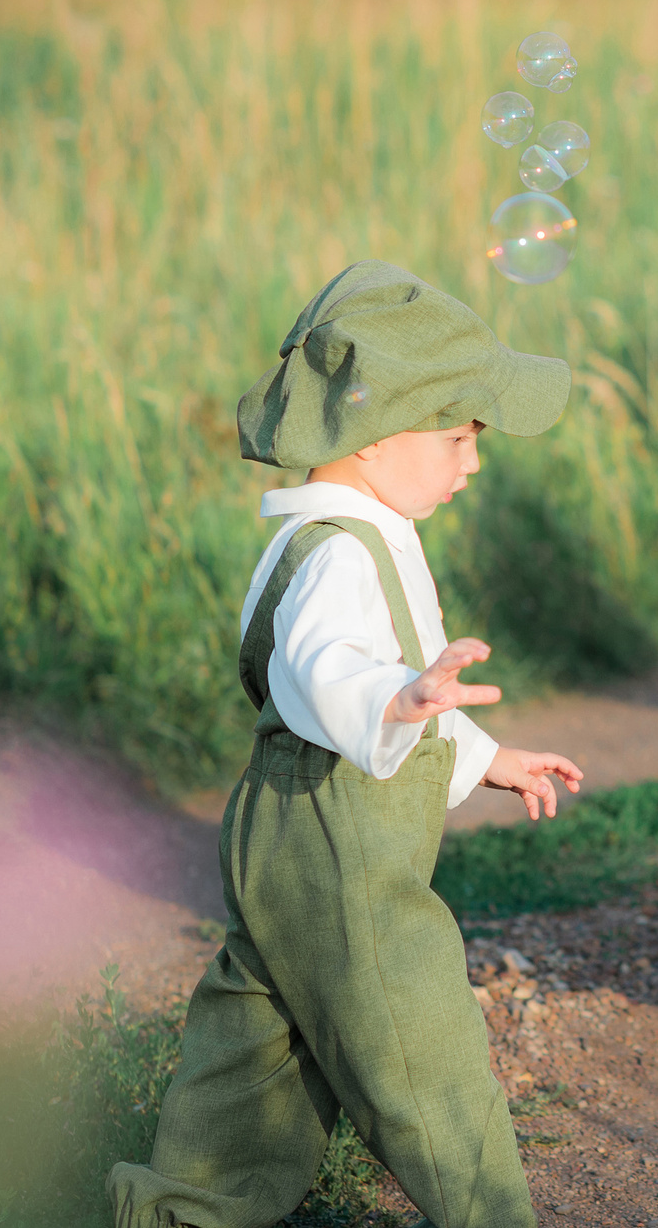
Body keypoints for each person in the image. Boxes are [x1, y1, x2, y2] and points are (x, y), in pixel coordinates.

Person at [110, 259, 585, 1228]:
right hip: (339, 846)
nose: (473, 462)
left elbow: (382, 678)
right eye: (458, 436)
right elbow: (331, 668)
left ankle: (184, 1207)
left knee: (257, 1052)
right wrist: (397, 697)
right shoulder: (336, 550)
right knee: (422, 1054)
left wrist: (478, 750)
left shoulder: (343, 528)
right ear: (373, 437)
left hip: (282, 832)